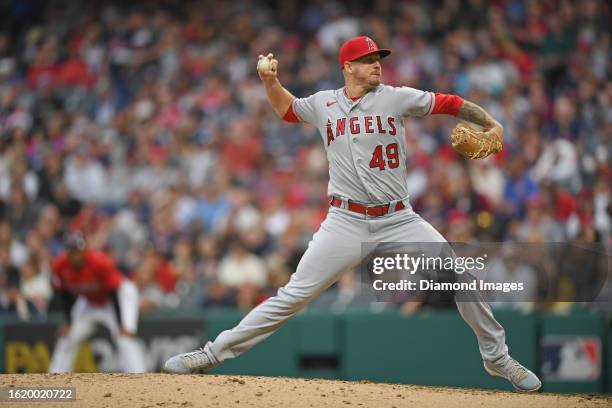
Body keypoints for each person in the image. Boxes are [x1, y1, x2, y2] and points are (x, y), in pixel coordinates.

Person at [164, 36, 541, 392]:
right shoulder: (324, 103)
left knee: (459, 276)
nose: (376, 65)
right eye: (368, 60)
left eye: (378, 59)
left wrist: (489, 122)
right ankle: (212, 353)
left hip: (399, 218)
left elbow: (450, 103)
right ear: (348, 66)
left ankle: (498, 358)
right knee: (292, 296)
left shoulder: (396, 98)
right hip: (345, 220)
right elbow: (286, 109)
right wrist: (270, 79)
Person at [48, 232, 146, 373]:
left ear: (84, 251)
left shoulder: (99, 262)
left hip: (119, 296)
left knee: (124, 337)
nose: (76, 255)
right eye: (72, 252)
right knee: (67, 337)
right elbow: (64, 294)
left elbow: (113, 292)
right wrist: (68, 322)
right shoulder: (60, 265)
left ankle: (140, 376)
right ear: (67, 253)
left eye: (78, 251)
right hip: (90, 301)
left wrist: (121, 324)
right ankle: (54, 376)